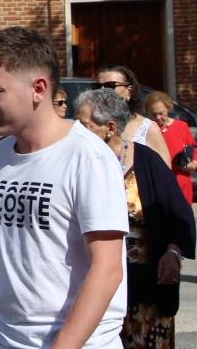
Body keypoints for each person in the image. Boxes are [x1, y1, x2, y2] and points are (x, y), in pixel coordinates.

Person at [0, 26, 128, 348]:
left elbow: (108, 268)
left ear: (38, 88)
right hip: (5, 338)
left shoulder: (87, 156)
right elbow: (9, 258)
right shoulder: (1, 153)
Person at [74, 89, 196, 348]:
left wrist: (173, 252)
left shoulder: (146, 160)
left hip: (144, 286)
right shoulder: (76, 161)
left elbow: (179, 214)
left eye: (84, 125)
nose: (76, 131)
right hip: (93, 285)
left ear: (109, 127)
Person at [96, 66, 170, 165]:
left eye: (110, 86)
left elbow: (163, 172)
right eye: (97, 86)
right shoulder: (90, 125)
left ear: (129, 91)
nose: (102, 91)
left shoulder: (147, 128)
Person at [145, 90, 197, 202]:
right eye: (154, 114)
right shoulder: (146, 130)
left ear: (168, 108)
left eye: (161, 113)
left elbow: (193, 147)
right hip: (159, 183)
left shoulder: (181, 126)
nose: (158, 117)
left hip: (181, 180)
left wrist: (194, 162)